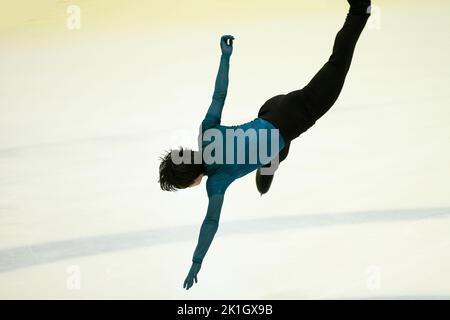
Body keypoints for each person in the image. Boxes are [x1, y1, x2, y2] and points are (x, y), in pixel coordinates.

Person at [158, 0, 372, 290]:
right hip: (271, 107)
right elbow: (219, 94)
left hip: (298, 114)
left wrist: (196, 262)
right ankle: (269, 165)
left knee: (338, 62)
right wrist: (225, 57)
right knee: (274, 149)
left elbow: (210, 224)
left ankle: (360, 8)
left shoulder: (217, 184)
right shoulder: (206, 133)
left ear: (193, 179)